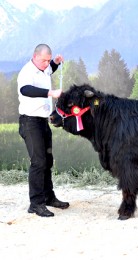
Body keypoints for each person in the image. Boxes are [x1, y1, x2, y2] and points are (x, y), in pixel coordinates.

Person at [17, 43, 69, 217]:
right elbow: (26, 90)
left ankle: (48, 197)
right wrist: (50, 93)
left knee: (47, 160)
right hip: (29, 122)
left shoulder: (45, 67)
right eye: (44, 60)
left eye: (48, 60)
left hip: (42, 122)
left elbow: (49, 69)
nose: (47, 64)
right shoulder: (27, 72)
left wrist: (55, 62)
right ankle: (36, 203)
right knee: (38, 162)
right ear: (35, 56)